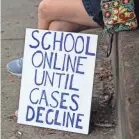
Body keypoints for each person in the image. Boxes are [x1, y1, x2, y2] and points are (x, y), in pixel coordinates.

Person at [7, 0, 104, 76]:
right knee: (57, 27)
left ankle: (36, 60)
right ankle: (48, 83)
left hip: (110, 8)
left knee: (44, 8)